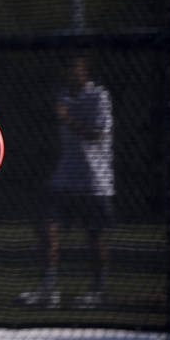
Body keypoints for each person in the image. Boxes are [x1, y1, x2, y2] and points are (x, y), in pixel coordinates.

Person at [20, 53, 115, 309]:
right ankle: (49, 290)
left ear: (85, 69)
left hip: (95, 179)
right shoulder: (62, 95)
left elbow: (97, 135)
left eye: (75, 67)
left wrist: (67, 119)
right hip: (65, 177)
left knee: (94, 236)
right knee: (45, 225)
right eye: (67, 68)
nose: (70, 72)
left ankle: (98, 291)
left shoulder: (99, 97)